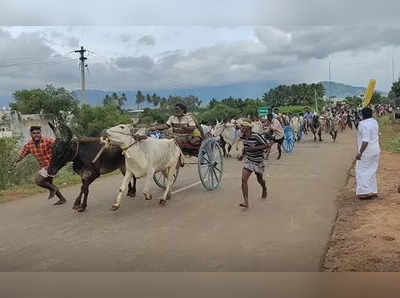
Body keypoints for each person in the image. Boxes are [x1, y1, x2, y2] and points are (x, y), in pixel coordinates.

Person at [14, 126, 67, 205]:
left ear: (40, 133)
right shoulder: (29, 145)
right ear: (31, 134)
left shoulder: (48, 141)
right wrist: (15, 162)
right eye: (34, 133)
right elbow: (22, 155)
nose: (36, 135)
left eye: (38, 133)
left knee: (38, 180)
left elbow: (58, 147)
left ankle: (54, 189)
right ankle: (62, 199)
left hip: (51, 165)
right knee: (49, 183)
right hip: (43, 166)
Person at [238, 121, 268, 208]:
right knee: (243, 179)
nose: (241, 128)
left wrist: (255, 148)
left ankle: (264, 188)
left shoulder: (256, 136)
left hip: (258, 161)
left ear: (248, 128)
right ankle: (246, 202)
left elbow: (267, 145)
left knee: (260, 179)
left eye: (243, 126)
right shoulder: (243, 136)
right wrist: (242, 155)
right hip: (249, 160)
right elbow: (245, 146)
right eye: (241, 126)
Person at [355, 107, 381, 200]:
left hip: (366, 151)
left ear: (362, 115)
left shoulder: (362, 124)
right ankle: (373, 191)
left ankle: (364, 192)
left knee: (361, 170)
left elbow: (365, 141)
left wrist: (360, 153)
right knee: (372, 170)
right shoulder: (375, 122)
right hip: (376, 150)